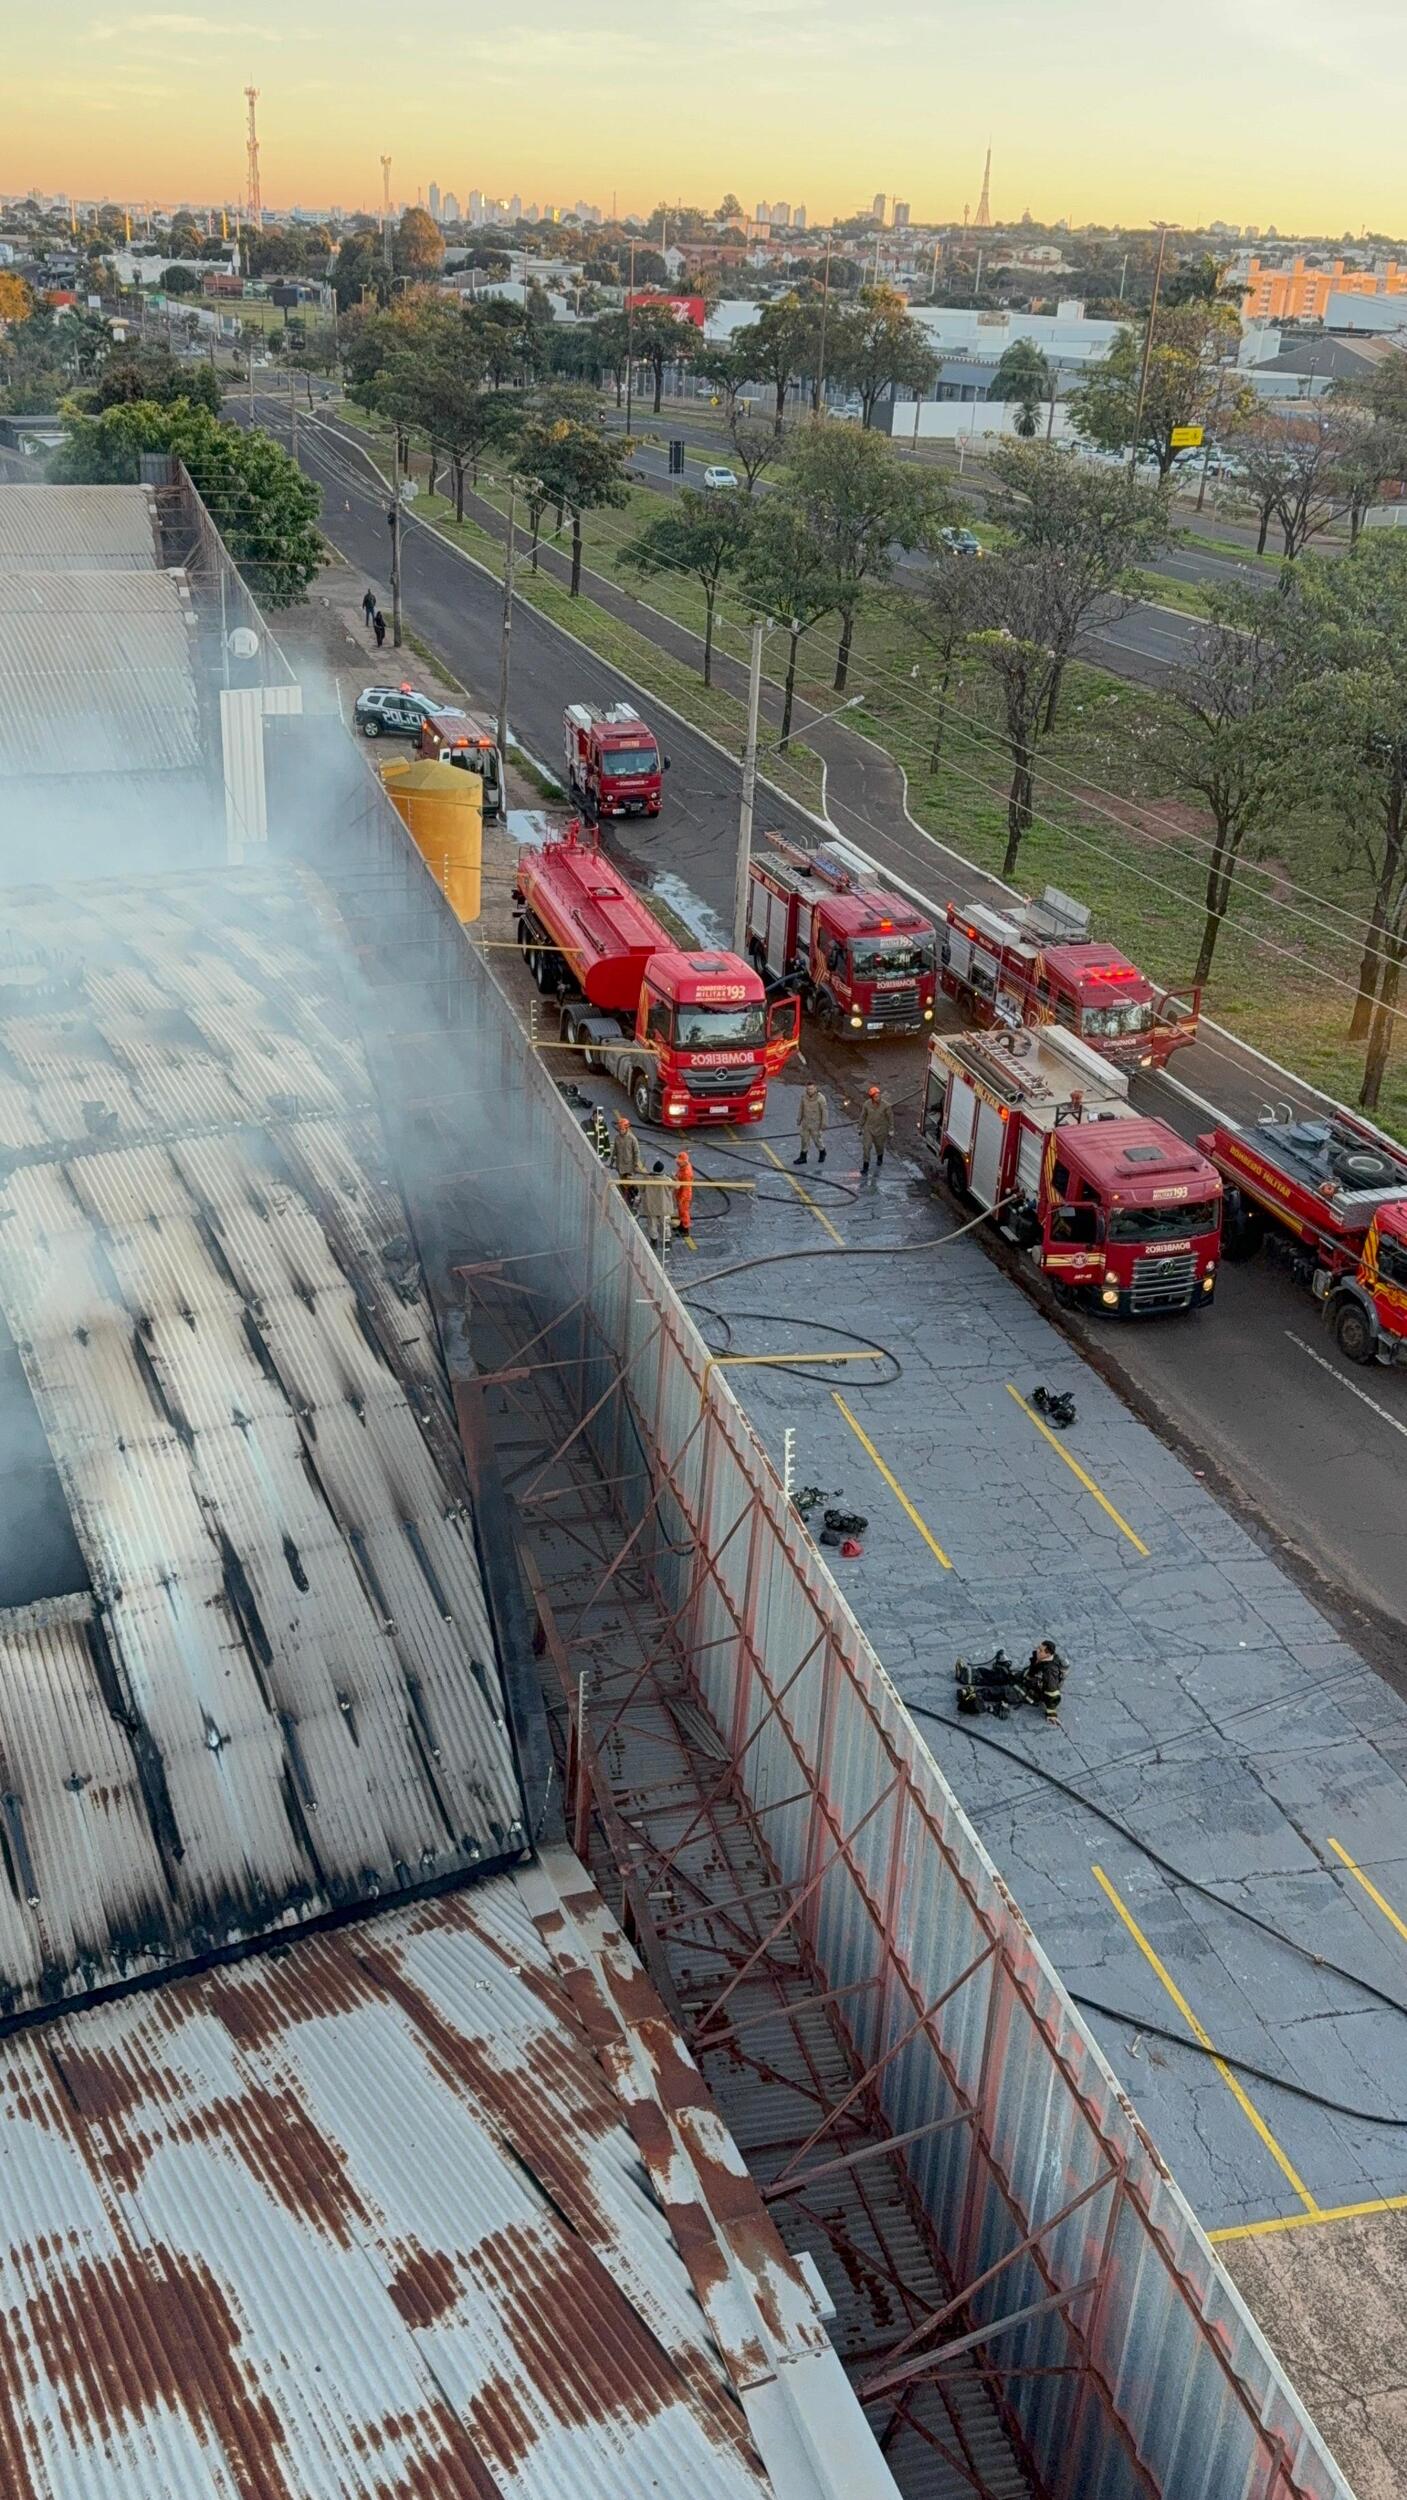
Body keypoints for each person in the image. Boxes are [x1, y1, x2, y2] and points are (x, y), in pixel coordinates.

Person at [857, 1085, 894, 1181]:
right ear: (872, 1097)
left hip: (881, 1130)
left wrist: (891, 1129)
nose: (878, 1098)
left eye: (879, 1096)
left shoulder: (886, 1106)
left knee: (879, 1146)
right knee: (866, 1147)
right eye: (876, 1096)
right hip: (869, 1129)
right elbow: (863, 1116)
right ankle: (865, 1166)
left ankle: (880, 1157)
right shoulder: (866, 1104)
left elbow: (890, 1118)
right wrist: (859, 1127)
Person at [611, 1112, 643, 1208]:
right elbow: (615, 1150)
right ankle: (626, 1199)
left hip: (629, 1166)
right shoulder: (617, 1138)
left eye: (622, 1129)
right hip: (620, 1166)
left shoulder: (632, 1139)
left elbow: (636, 1152)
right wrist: (612, 1162)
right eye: (619, 1129)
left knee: (630, 1183)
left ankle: (635, 1197)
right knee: (623, 1183)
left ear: (626, 1128)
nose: (620, 1131)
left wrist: (636, 1165)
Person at [795, 1082, 827, 1167]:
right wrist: (799, 1119)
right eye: (808, 1089)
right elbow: (801, 1108)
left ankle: (822, 1152)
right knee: (804, 1140)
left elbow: (824, 1112)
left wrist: (824, 1124)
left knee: (817, 1140)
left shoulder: (821, 1098)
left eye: (811, 1089)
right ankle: (803, 1157)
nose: (810, 1091)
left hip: (816, 1124)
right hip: (805, 1123)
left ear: (815, 1089)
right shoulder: (804, 1097)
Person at [646, 1161, 672, 1257]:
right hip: (663, 1206)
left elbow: (641, 1189)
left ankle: (654, 1241)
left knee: (652, 1224)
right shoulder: (666, 1179)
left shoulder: (647, 1179)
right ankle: (667, 1241)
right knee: (665, 1223)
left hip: (652, 1206)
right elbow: (677, 1186)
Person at [674, 1147, 694, 1239]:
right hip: (680, 1193)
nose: (677, 1162)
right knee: (681, 1211)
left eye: (679, 1161)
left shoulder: (686, 1173)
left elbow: (685, 1189)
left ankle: (685, 1229)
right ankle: (682, 1226)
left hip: (684, 1195)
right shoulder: (683, 1168)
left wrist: (681, 1199)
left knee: (684, 1211)